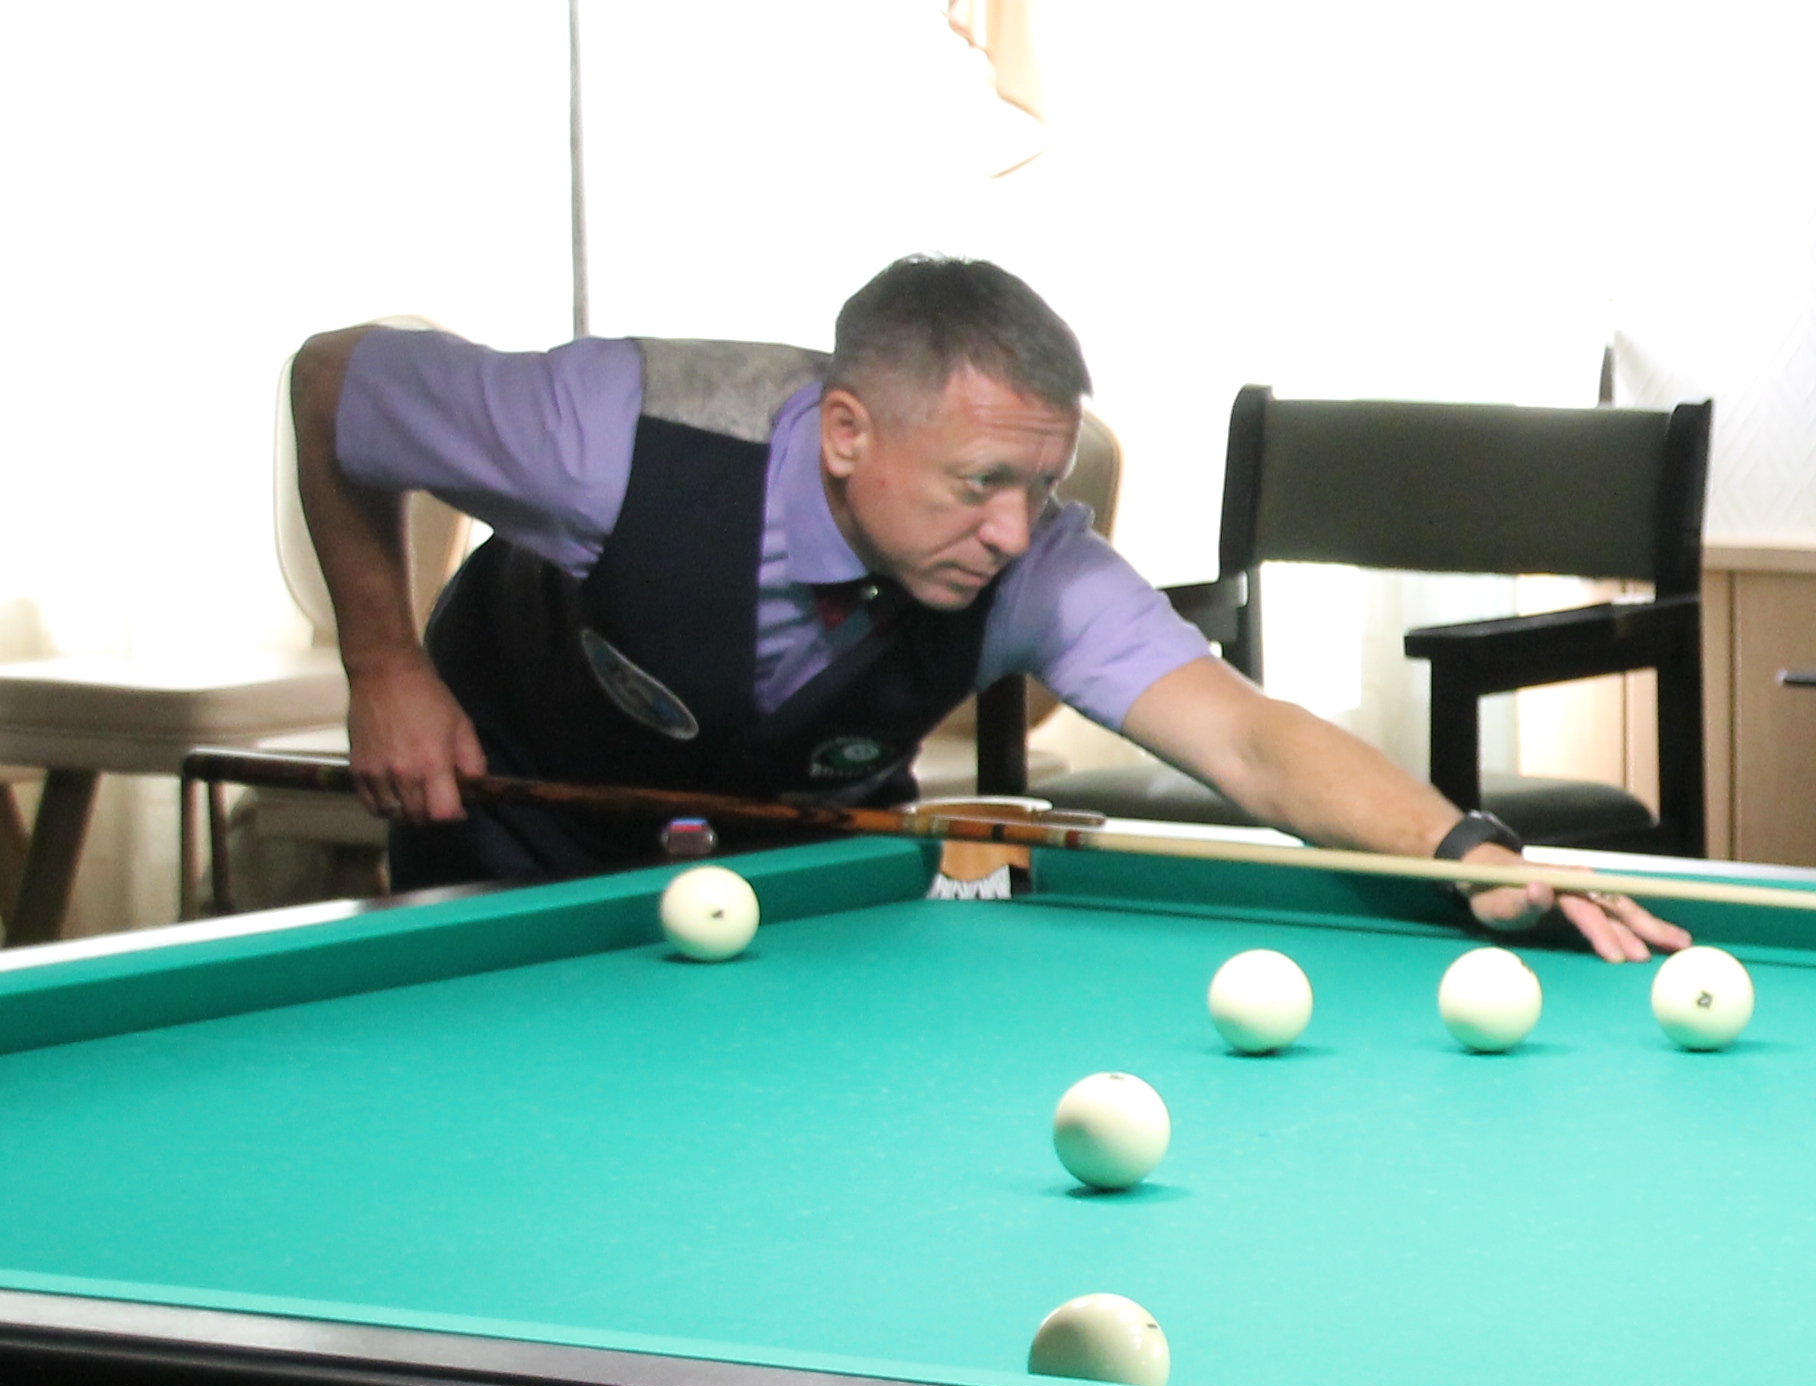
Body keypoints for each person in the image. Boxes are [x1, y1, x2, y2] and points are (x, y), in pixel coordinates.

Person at [287, 257, 1684, 961]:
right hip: (515, 816)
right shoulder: (614, 431)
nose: (1015, 529)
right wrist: (384, 663)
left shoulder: (1031, 566)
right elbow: (337, 379)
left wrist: (1461, 846)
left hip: (795, 868)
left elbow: (1248, 737)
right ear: (848, 432)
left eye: (1041, 482)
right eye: (978, 483)